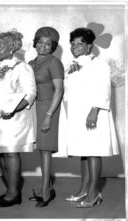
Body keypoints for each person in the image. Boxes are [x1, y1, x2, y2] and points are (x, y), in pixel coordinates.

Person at [62, 28, 119, 208]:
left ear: (89, 46)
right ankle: (84, 189)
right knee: (84, 152)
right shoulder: (72, 64)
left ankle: (94, 193)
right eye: (73, 44)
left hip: (94, 113)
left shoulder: (99, 64)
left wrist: (94, 111)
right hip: (78, 113)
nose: (75, 47)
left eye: (80, 44)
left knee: (93, 151)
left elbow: (104, 89)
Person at [0, 31, 36, 207]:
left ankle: (14, 193)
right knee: (1, 154)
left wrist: (12, 110)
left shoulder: (22, 67)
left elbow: (30, 94)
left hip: (13, 120)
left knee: (11, 153)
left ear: (11, 48)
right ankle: (10, 189)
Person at [28, 27, 64, 207]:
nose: (43, 46)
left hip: (48, 107)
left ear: (53, 46)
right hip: (35, 107)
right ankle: (46, 187)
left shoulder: (54, 62)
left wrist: (49, 115)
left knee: (46, 149)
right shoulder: (31, 62)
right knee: (41, 149)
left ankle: (46, 192)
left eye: (47, 44)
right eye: (40, 42)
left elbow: (59, 90)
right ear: (35, 43)